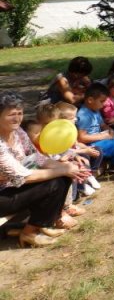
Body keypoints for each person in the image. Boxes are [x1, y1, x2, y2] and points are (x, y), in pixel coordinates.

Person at [0, 92, 91, 247]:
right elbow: (22, 176)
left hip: (13, 187)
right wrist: (63, 170)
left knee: (62, 177)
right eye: (11, 115)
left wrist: (67, 167)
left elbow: (36, 157)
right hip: (4, 194)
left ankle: (38, 225)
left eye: (20, 113)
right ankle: (29, 233)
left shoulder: (18, 132)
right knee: (54, 182)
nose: (17, 118)